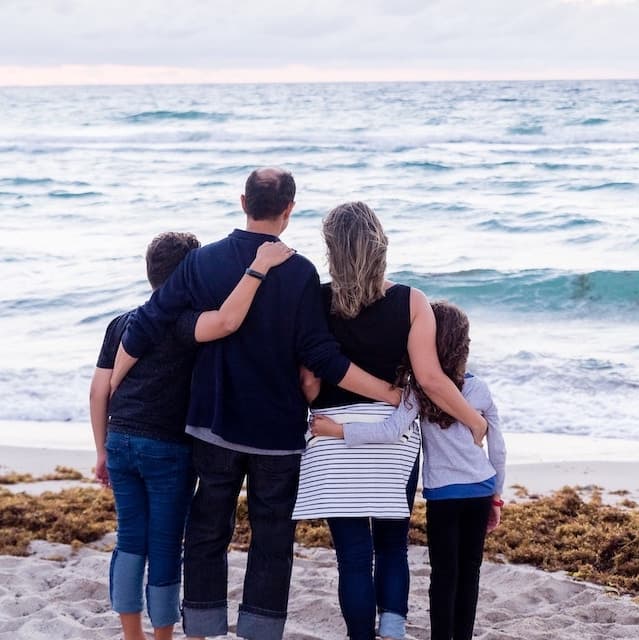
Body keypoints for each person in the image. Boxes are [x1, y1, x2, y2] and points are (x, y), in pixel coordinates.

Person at [111, 169, 400, 640]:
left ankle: (200, 631)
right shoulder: (301, 271)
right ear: (290, 209)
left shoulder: (201, 262)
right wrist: (386, 392)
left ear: (243, 200)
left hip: (213, 425)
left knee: (206, 531)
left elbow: (149, 321)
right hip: (277, 432)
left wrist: (112, 387)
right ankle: (260, 633)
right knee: (271, 541)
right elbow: (321, 355)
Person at [291, 203, 488, 640]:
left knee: (353, 558)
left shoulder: (316, 301)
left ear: (331, 250)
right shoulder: (412, 301)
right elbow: (432, 379)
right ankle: (394, 629)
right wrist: (474, 421)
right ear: (380, 245)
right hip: (393, 438)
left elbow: (307, 382)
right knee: (393, 545)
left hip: (331, 439)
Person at [90, 231, 295, 640]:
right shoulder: (184, 323)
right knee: (165, 545)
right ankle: (163, 636)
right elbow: (227, 321)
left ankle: (132, 634)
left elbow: (99, 390)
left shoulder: (122, 323)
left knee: (130, 539)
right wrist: (259, 267)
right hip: (167, 449)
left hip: (120, 441)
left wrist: (100, 450)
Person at [312, 301, 506, 640]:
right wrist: (497, 495)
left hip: (444, 497)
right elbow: (498, 448)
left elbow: (390, 431)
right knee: (470, 573)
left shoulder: (418, 390)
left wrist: (339, 431)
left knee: (444, 576)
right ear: (464, 345)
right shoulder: (479, 388)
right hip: (481, 489)